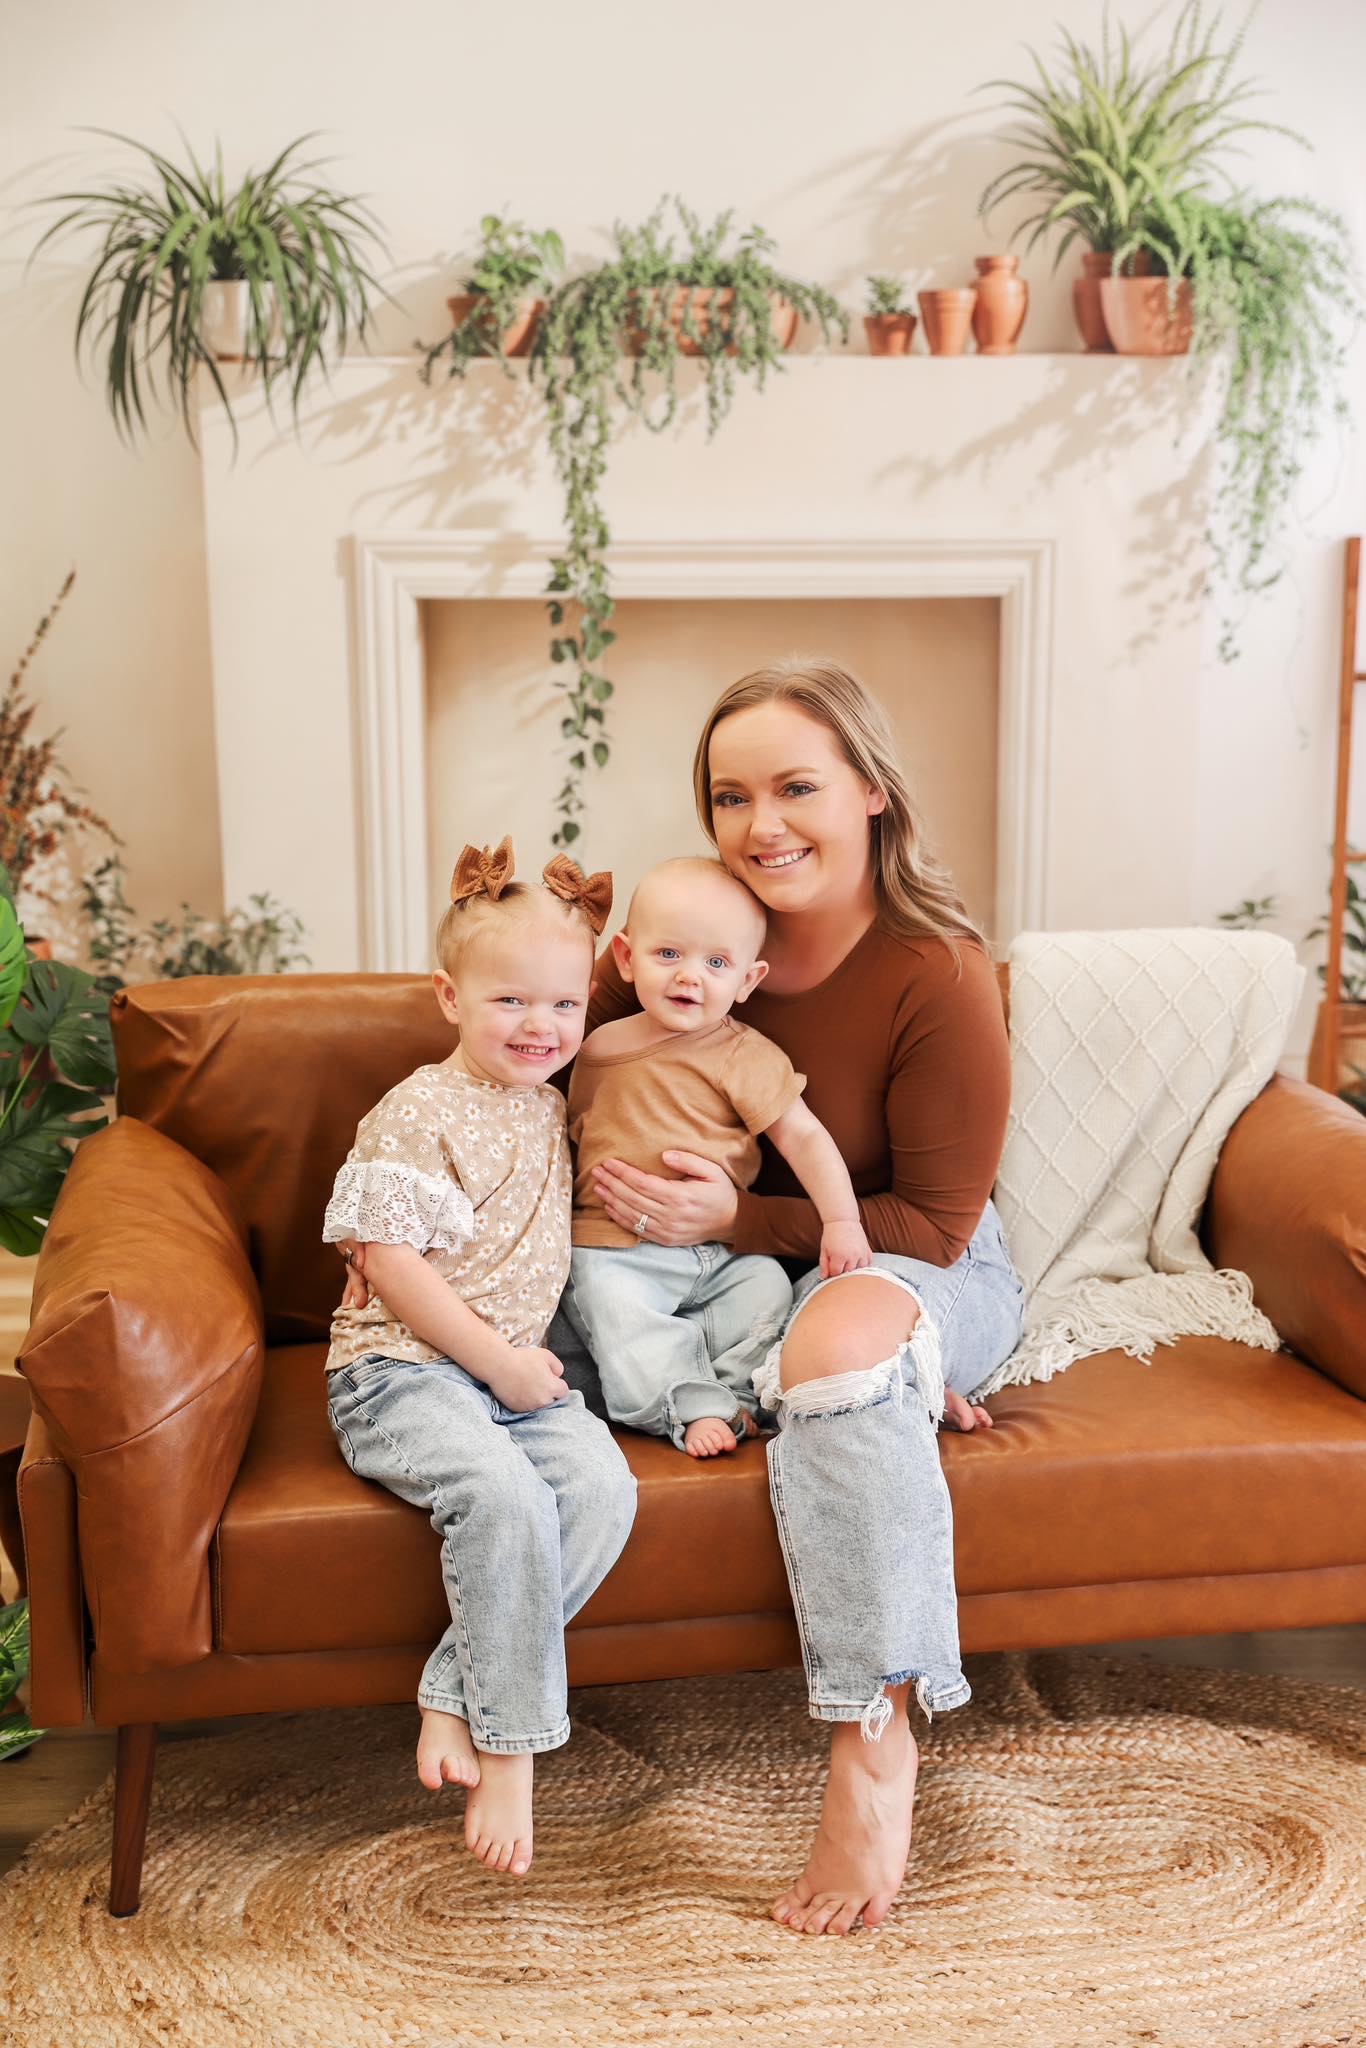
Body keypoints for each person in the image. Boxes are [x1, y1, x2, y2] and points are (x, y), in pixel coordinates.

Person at [582, 658, 1024, 1937]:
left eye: (795, 786)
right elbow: (528, 1067)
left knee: (835, 1337)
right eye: (730, 793)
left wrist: (745, 1220)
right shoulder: (686, 946)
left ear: (873, 793)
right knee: (821, 1347)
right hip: (729, 1284)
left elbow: (935, 1220)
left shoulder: (937, 971)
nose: (760, 822)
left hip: (921, 1260)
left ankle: (872, 1740)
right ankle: (886, 1391)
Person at [323, 837, 636, 1882]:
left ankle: (456, 1688)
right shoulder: (418, 1108)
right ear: (449, 996)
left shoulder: (549, 1103)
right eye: (510, 1002)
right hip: (403, 1367)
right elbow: (388, 1260)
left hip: (511, 1373)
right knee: (501, 1497)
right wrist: (500, 1363)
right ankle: (512, 1749)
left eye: (562, 1007)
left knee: (598, 1488)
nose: (539, 1027)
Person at [566, 854, 871, 1458]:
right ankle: (684, 1405)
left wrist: (841, 1221)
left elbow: (804, 1137)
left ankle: (738, 1395)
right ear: (626, 958)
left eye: (716, 963)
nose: (690, 977)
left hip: (724, 1253)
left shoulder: (744, 1055)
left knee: (767, 1291)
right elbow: (563, 1136)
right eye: (669, 955)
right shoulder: (592, 1045)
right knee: (613, 1306)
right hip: (618, 1249)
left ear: (747, 981)